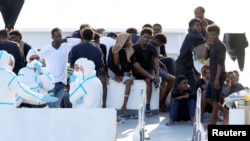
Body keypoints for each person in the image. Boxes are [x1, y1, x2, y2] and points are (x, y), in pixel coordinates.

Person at [39, 27, 81, 108]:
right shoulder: (47, 49)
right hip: (51, 83)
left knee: (56, 106)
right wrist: (41, 71)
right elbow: (36, 58)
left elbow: (79, 41)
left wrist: (66, 40)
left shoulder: (65, 47)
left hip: (61, 83)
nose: (59, 38)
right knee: (52, 107)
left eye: (60, 36)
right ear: (52, 37)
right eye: (57, 36)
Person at [69, 28, 107, 108]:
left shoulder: (75, 48)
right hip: (92, 79)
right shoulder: (97, 49)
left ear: (82, 36)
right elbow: (100, 65)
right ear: (92, 37)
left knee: (76, 102)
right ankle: (103, 106)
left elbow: (72, 65)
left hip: (79, 78)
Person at [203, 24, 228, 125]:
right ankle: (225, 112)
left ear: (218, 34)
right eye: (210, 34)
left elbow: (220, 64)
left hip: (219, 75)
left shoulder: (221, 46)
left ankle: (213, 122)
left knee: (215, 99)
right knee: (208, 98)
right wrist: (207, 45)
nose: (212, 36)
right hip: (212, 75)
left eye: (214, 34)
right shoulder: (211, 44)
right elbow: (205, 58)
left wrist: (217, 79)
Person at [132, 27, 161, 115]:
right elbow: (133, 62)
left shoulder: (152, 48)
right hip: (137, 70)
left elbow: (156, 62)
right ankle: (153, 78)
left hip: (148, 70)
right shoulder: (134, 48)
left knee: (148, 81)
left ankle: (147, 104)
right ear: (140, 36)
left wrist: (157, 74)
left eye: (149, 38)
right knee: (136, 65)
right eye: (145, 37)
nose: (147, 39)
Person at [175, 18, 205, 98]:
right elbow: (203, 41)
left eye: (200, 25)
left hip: (189, 66)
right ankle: (174, 107)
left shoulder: (194, 36)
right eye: (197, 25)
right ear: (191, 27)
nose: (199, 27)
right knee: (178, 87)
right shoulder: (193, 36)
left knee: (194, 87)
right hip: (181, 65)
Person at [108, 32, 135, 118]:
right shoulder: (113, 49)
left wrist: (123, 73)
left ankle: (124, 106)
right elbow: (110, 64)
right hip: (114, 71)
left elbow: (130, 65)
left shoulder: (130, 49)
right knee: (116, 55)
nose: (130, 41)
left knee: (129, 81)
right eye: (128, 40)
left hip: (124, 72)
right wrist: (119, 73)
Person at [149, 33, 175, 111]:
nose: (159, 45)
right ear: (156, 40)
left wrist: (163, 66)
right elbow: (152, 61)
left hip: (156, 67)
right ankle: (162, 101)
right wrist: (159, 71)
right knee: (172, 79)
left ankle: (163, 100)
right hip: (151, 70)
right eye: (160, 44)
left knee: (170, 61)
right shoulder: (150, 46)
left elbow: (156, 59)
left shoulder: (155, 46)